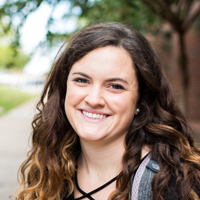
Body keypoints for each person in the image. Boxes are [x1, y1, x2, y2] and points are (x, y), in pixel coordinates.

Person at [15, 22, 200, 200]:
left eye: (115, 86)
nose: (94, 99)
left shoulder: (176, 185)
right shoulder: (50, 169)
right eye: (82, 80)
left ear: (141, 100)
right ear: (64, 89)